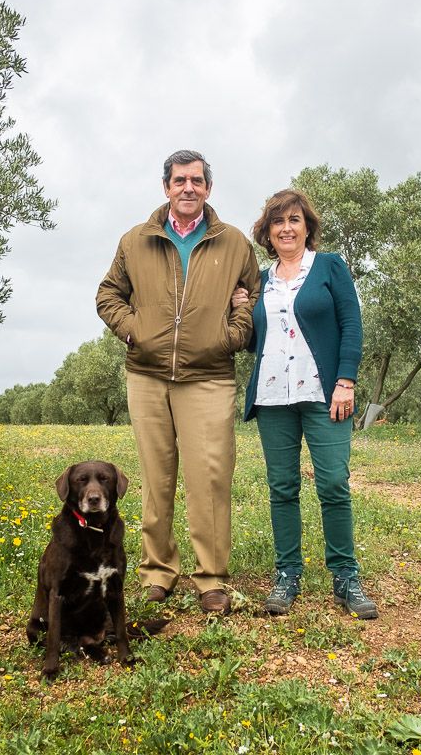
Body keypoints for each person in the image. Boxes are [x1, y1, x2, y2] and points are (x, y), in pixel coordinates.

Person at [96, 150, 261, 615]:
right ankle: (157, 573)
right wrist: (133, 329)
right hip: (146, 376)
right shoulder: (136, 240)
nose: (188, 188)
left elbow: (251, 295)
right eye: (179, 180)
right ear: (165, 187)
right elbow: (108, 294)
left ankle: (210, 578)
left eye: (196, 181)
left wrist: (234, 333)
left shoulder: (234, 243)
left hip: (209, 377)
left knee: (210, 477)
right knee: (156, 477)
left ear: (208, 189)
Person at [237, 188, 378, 619]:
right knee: (282, 488)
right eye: (278, 222)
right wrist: (241, 310)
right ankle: (287, 575)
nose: (286, 228)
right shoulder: (258, 281)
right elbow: (250, 343)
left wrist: (346, 381)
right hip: (273, 396)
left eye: (294, 220)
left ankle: (346, 577)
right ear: (267, 232)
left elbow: (351, 325)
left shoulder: (330, 266)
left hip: (324, 394)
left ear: (307, 227)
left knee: (333, 483)